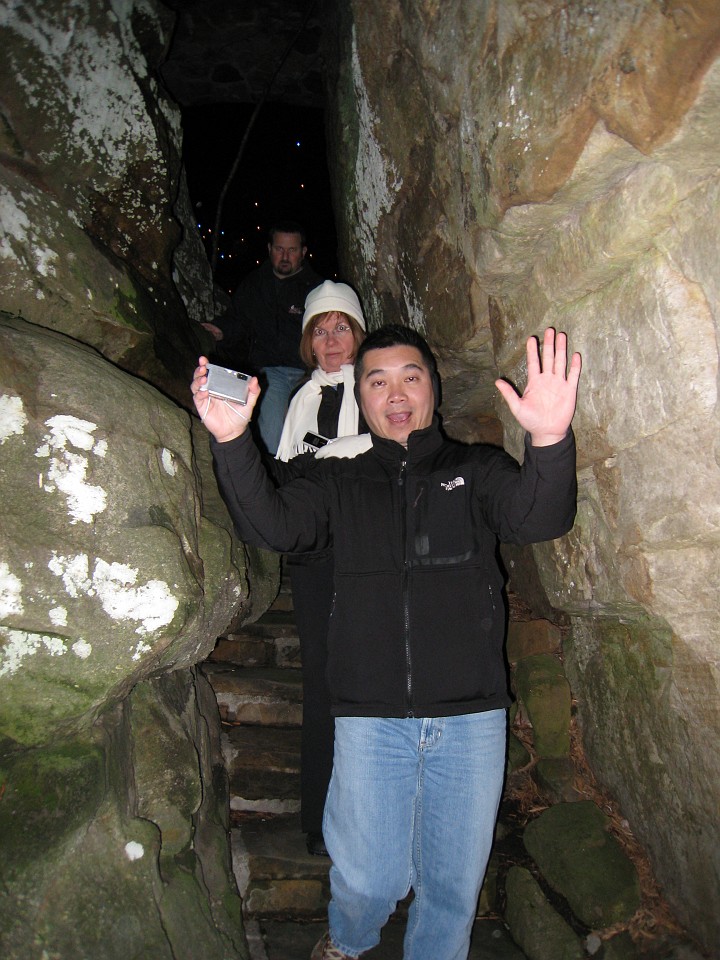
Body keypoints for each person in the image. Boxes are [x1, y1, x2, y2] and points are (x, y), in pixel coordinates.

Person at [191, 324, 581, 960]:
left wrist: (549, 438)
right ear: (361, 397)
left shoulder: (475, 470)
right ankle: (347, 941)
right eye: (377, 381)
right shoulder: (339, 482)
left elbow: (539, 516)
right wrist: (233, 443)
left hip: (471, 716)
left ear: (433, 388)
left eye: (411, 376)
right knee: (370, 878)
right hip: (371, 717)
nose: (395, 393)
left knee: (452, 892)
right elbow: (276, 527)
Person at [275, 280, 368, 856]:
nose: (330, 340)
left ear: (356, 333)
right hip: (315, 556)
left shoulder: (377, 385)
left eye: (339, 327)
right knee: (319, 678)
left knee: (363, 678)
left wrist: (331, 456)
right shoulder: (302, 398)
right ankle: (318, 813)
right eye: (319, 329)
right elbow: (289, 470)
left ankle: (365, 812)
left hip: (364, 548)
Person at [208, 219, 323, 454]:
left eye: (291, 250)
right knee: (272, 427)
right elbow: (238, 321)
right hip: (271, 372)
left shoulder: (317, 288)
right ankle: (272, 477)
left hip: (312, 372)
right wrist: (219, 330)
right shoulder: (254, 285)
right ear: (269, 249)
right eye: (279, 249)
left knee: (318, 433)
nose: (285, 256)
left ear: (303, 253)